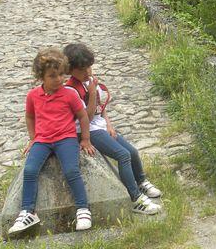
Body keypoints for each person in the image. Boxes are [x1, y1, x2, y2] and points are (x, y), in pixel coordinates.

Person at [63, 43, 162, 215]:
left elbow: (101, 109)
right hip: (85, 130)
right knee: (122, 155)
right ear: (70, 70)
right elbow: (87, 116)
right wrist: (92, 94)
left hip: (99, 125)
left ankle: (141, 181)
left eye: (89, 67)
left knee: (131, 152)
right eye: (81, 69)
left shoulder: (90, 82)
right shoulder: (71, 89)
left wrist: (108, 124)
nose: (87, 72)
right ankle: (135, 198)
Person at [8, 48, 95, 235]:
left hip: (66, 138)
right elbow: (30, 117)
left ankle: (83, 208)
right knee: (30, 170)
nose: (58, 80)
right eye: (52, 76)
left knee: (71, 170)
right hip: (43, 140)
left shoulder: (69, 94)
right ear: (42, 77)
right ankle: (27, 212)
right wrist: (33, 139)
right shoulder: (33, 95)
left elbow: (82, 115)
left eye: (61, 75)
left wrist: (86, 139)